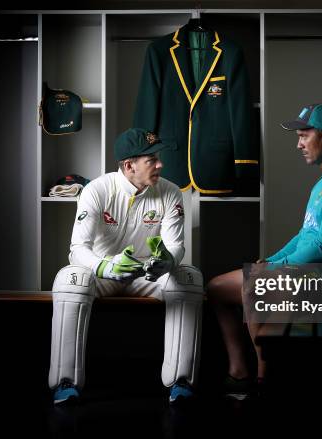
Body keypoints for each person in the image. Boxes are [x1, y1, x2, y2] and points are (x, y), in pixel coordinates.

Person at [206, 103, 322, 400]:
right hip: (305, 272)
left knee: (252, 287)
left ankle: (260, 378)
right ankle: (241, 371)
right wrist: (271, 260)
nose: (298, 144)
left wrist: (272, 268)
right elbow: (304, 235)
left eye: (303, 135)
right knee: (217, 287)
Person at [48, 128, 205, 405]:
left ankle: (181, 381)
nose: (160, 164)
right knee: (69, 279)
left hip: (148, 274)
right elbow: (78, 249)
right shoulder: (97, 190)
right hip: (105, 272)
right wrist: (106, 267)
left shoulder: (169, 192)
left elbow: (176, 247)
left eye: (158, 157)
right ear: (129, 165)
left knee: (190, 278)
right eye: (151, 159)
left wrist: (166, 261)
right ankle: (66, 381)